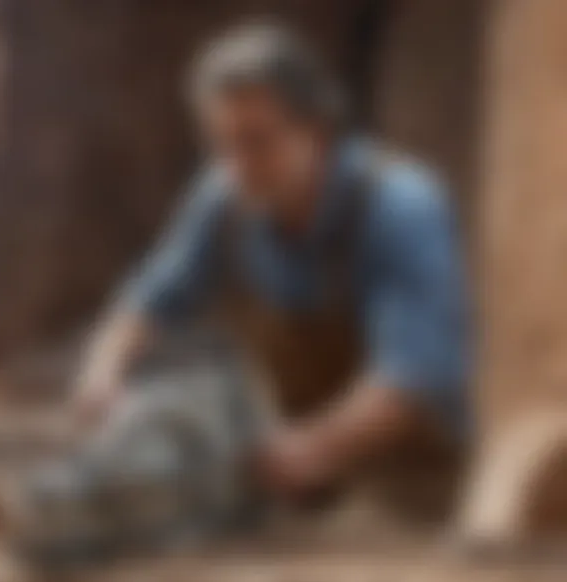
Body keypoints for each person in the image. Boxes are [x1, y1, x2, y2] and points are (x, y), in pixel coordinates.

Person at [75, 22, 470, 520]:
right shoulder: (225, 199)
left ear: (317, 131)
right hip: (305, 481)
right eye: (222, 145)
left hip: (415, 485)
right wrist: (102, 373)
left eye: (258, 142)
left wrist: (310, 449)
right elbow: (152, 299)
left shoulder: (400, 206)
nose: (239, 165)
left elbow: (413, 378)